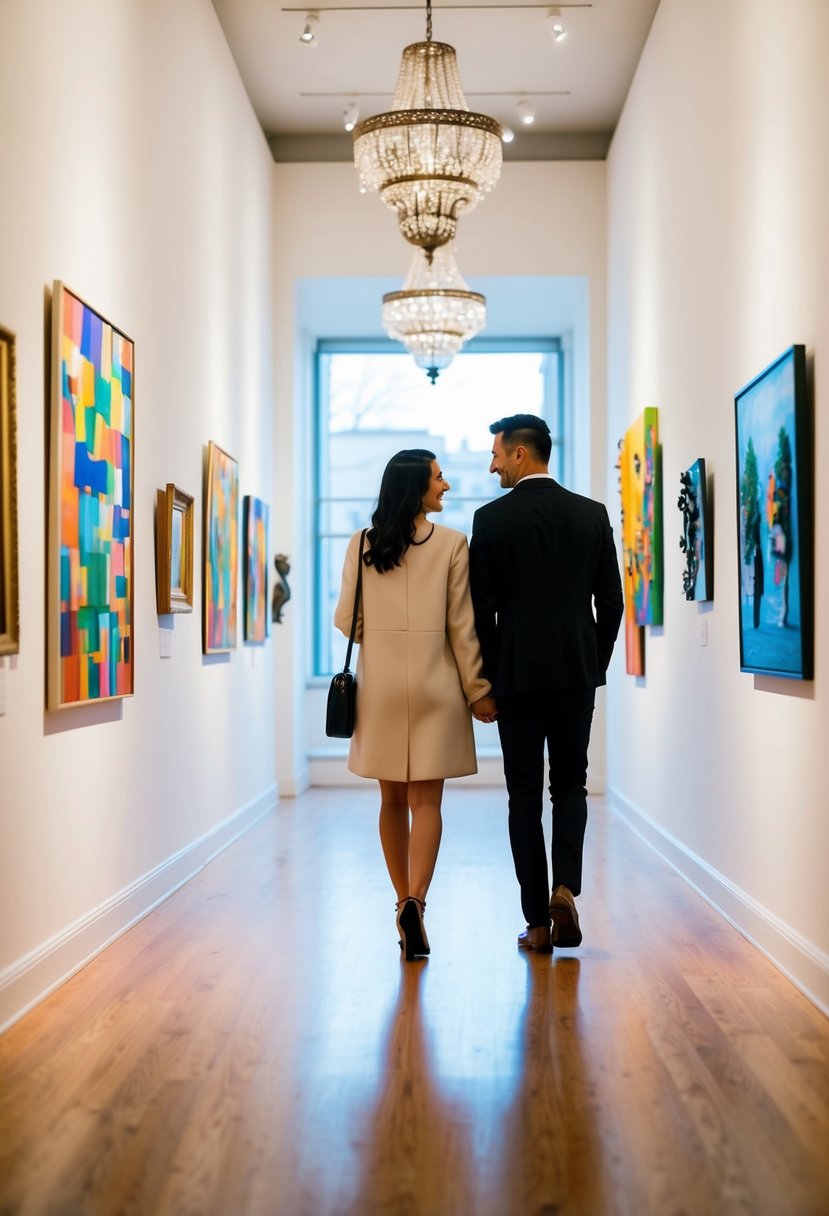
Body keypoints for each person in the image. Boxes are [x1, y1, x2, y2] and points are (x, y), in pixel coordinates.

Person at [469, 415, 624, 953]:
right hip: (574, 675)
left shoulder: (490, 520)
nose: (491, 464)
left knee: (523, 796)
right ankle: (565, 889)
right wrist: (593, 661)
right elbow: (613, 601)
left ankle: (537, 922)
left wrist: (488, 680)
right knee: (571, 786)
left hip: (515, 679)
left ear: (519, 454)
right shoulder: (591, 515)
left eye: (496, 454)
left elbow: (481, 612)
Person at [334, 449, 497, 961]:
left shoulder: (363, 543)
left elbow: (347, 622)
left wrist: (381, 639)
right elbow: (462, 627)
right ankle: (417, 903)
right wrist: (477, 690)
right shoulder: (452, 544)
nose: (445, 485)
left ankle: (398, 899)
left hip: (381, 686)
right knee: (427, 803)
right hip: (436, 684)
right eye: (438, 477)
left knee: (391, 802)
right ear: (416, 487)